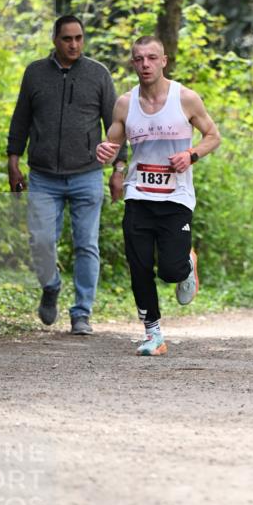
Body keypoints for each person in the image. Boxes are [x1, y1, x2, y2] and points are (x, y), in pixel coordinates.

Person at [96, 35, 221, 356]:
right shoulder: (125, 103)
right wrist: (107, 155)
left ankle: (186, 265)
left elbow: (213, 136)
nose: (145, 64)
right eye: (139, 59)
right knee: (138, 267)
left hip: (175, 198)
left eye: (152, 58)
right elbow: (112, 147)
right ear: (132, 63)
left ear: (164, 61)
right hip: (138, 195)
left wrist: (191, 155)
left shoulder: (186, 98)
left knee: (169, 270)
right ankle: (153, 334)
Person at [7, 15, 123, 335]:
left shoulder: (98, 74)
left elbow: (116, 127)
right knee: (41, 241)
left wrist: (119, 169)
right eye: (67, 39)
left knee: (87, 244)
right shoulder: (35, 74)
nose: (74, 44)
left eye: (79, 38)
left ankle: (82, 313)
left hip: (87, 174)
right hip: (43, 175)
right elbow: (20, 120)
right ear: (54, 40)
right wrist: (13, 161)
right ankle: (51, 285)